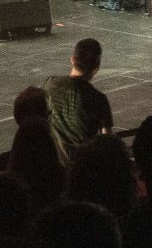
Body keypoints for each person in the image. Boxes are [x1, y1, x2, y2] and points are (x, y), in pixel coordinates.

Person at [42, 37, 113, 165]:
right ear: (96, 68)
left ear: (73, 60)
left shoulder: (50, 84)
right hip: (83, 166)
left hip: (52, 163)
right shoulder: (98, 99)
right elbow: (107, 141)